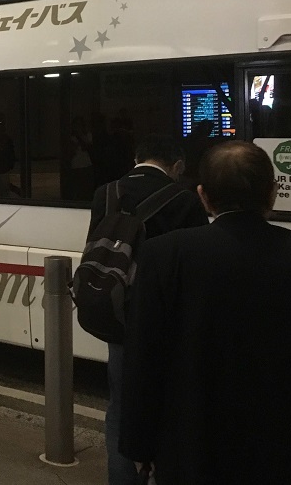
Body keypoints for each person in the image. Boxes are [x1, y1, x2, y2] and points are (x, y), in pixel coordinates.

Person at [120, 141, 291, 484]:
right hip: (285, 451)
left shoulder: (164, 255)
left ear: (203, 195)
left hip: (191, 450)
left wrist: (139, 447)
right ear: (273, 192)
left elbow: (142, 362)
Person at [88, 134, 208, 485]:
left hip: (122, 316)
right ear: (178, 166)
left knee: (122, 406)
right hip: (171, 322)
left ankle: (123, 478)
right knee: (173, 406)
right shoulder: (184, 198)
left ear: (137, 158)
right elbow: (195, 265)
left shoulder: (105, 193)